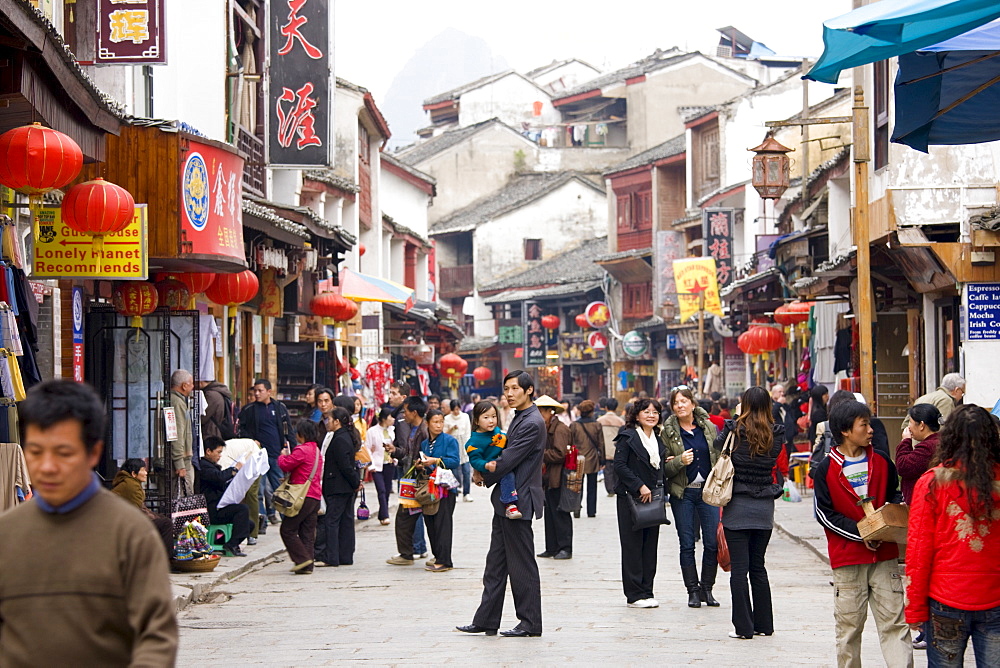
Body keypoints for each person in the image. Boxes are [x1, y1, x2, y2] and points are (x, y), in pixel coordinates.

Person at [0, 379, 177, 665]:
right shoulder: (8, 535)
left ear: (93, 452)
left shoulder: (131, 536)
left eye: (63, 452)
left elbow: (156, 636)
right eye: (35, 451)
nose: (46, 466)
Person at [812, 400, 912, 667]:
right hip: (848, 560)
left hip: (885, 557)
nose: (871, 430)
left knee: (895, 624)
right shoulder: (826, 469)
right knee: (849, 630)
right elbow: (825, 514)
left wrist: (887, 524)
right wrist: (862, 534)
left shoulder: (882, 462)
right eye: (864, 424)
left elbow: (894, 495)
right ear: (846, 430)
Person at [905, 404, 1000, 667]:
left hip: (945, 600)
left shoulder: (932, 483)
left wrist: (914, 606)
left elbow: (918, 551)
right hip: (995, 599)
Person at [458, 370, 545, 638]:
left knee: (522, 564)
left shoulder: (531, 422)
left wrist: (481, 470)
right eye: (506, 388)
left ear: (529, 390)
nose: (509, 394)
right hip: (505, 502)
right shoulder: (519, 416)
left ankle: (530, 622)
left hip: (518, 501)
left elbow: (509, 458)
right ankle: (486, 619)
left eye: (515, 388)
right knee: (495, 563)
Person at [715, 387, 784, 640]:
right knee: (758, 568)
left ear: (744, 404)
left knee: (739, 570)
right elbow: (773, 457)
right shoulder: (777, 433)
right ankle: (764, 625)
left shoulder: (734, 429)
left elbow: (718, 446)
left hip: (738, 506)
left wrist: (735, 420)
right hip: (764, 507)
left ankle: (743, 628)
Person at [661, 385, 721, 608]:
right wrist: (679, 461)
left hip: (708, 492)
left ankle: (708, 588)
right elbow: (664, 469)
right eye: (676, 402)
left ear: (693, 404)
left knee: (712, 543)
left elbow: (719, 456)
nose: (680, 406)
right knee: (687, 544)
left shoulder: (708, 428)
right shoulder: (667, 432)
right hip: (683, 493)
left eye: (683, 401)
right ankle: (693, 590)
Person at [613, 397, 666, 608]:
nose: (651, 415)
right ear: (637, 415)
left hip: (653, 499)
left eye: (655, 412)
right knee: (632, 545)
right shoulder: (627, 437)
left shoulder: (658, 440)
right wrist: (639, 485)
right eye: (646, 411)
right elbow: (619, 465)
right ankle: (634, 594)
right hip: (630, 498)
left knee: (650, 546)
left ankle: (647, 590)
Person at [238, 378, 295, 525]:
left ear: (269, 391)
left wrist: (292, 450)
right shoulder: (249, 410)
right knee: (258, 491)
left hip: (277, 455)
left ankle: (286, 517)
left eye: (260, 391)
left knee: (280, 488)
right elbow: (240, 430)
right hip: (258, 456)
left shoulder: (279, 407)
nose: (257, 394)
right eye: (255, 391)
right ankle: (261, 520)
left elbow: (288, 429)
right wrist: (251, 441)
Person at [385, 396, 431, 565]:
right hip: (409, 479)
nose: (404, 414)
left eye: (406, 411)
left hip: (420, 481)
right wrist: (395, 450)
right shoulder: (413, 428)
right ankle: (407, 553)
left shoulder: (424, 430)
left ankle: (413, 552)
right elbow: (407, 453)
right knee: (405, 517)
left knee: (416, 517)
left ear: (414, 412)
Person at [317, 406, 362, 567]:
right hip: (343, 487)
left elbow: (346, 466)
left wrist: (356, 482)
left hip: (339, 487)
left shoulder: (340, 439)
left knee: (333, 521)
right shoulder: (341, 436)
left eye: (329, 419)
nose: (327, 422)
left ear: (337, 422)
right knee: (344, 521)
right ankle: (344, 556)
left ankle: (332, 557)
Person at [278, 420, 324, 574]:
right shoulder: (316, 450)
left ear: (302, 434)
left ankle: (302, 560)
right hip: (315, 496)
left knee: (287, 529)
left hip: (302, 497)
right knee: (307, 532)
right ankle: (307, 565)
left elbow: (285, 465)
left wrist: (282, 456)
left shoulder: (302, 450)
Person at [420, 409, 461, 572]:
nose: (439, 425)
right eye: (435, 422)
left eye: (441, 422)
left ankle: (445, 560)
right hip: (430, 488)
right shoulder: (424, 443)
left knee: (443, 524)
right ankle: (437, 555)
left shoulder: (450, 440)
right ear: (427, 423)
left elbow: (454, 461)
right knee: (430, 522)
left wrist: (436, 460)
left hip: (445, 488)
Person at [200, 436, 253, 557]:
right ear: (208, 451)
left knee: (249, 524)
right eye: (218, 452)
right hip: (211, 510)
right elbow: (219, 478)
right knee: (242, 510)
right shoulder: (204, 466)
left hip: (220, 505)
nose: (220, 456)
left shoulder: (211, 466)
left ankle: (224, 541)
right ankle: (232, 544)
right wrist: (234, 469)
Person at [111, 458, 174, 557]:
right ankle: (166, 560)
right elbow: (137, 512)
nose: (146, 473)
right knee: (166, 524)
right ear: (134, 473)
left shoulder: (130, 482)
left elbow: (140, 507)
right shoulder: (131, 485)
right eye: (143, 470)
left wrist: (157, 517)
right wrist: (156, 518)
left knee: (163, 520)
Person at [467, 401, 519, 519]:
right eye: (486, 417)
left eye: (494, 416)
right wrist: (485, 465)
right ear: (476, 421)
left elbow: (505, 440)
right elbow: (475, 460)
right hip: (488, 468)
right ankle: (510, 504)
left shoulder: (497, 431)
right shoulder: (474, 441)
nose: (491, 420)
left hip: (500, 463)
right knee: (508, 475)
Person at [537, 395, 574, 560]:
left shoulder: (560, 429)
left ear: (548, 412)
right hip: (548, 478)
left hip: (559, 477)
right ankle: (551, 547)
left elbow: (560, 454)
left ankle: (565, 548)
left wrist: (540, 454)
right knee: (550, 512)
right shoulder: (545, 427)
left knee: (560, 513)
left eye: (539, 412)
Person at [896, 403, 942, 505]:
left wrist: (906, 441)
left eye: (910, 422)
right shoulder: (938, 441)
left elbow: (903, 467)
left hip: (924, 503)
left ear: (921, 425)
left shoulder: (928, 448)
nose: (908, 427)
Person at [570, 400, 604, 518]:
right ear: (591, 411)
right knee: (592, 486)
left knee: (577, 485)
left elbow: (571, 442)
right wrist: (602, 460)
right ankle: (591, 511)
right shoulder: (597, 425)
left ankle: (576, 508)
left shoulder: (574, 425)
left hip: (578, 458)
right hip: (593, 458)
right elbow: (601, 444)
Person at [365, 407, 396, 525]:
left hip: (389, 463)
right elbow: (367, 448)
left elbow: (396, 446)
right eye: (390, 417)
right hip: (377, 465)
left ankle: (382, 513)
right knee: (381, 490)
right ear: (384, 418)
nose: (392, 419)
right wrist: (370, 464)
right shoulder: (372, 431)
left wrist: (395, 459)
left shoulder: (393, 430)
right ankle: (385, 515)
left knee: (387, 489)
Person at [169, 368, 195, 496]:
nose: (193, 387)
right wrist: (180, 463)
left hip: (177, 460)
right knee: (181, 502)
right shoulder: (177, 402)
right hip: (179, 462)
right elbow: (176, 434)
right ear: (184, 386)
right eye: (191, 383)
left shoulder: (174, 400)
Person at [445, 400, 474, 502]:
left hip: (464, 445)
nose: (456, 411)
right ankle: (456, 492)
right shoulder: (447, 419)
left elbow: (468, 431)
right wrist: (452, 429)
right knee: (455, 471)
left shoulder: (465, 416)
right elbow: (445, 434)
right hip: (453, 446)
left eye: (458, 409)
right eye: (454, 409)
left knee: (466, 471)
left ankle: (467, 493)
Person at [598, 397, 626, 496]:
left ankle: (610, 490)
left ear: (605, 407)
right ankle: (616, 487)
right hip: (616, 449)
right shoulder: (620, 421)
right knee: (616, 470)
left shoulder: (600, 421)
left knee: (608, 470)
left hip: (605, 449)